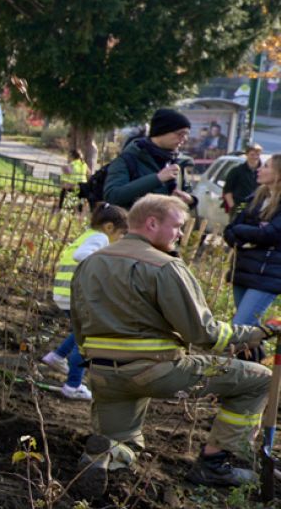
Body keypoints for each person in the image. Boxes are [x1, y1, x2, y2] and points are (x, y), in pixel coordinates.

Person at [70, 194, 275, 487]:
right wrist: (256, 334)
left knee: (122, 442)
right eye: (177, 226)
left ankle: (103, 459)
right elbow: (203, 334)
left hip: (104, 375)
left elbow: (78, 324)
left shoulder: (90, 263)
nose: (180, 234)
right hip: (158, 373)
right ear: (152, 223)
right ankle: (216, 462)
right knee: (259, 379)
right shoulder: (165, 267)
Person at [40, 204, 129, 400]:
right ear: (109, 227)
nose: (121, 239)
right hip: (77, 296)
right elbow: (81, 256)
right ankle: (73, 385)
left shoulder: (88, 235)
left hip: (66, 294)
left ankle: (57, 357)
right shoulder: (100, 238)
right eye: (122, 234)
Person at [223, 153, 281, 326]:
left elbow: (271, 234)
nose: (259, 169)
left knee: (240, 326)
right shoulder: (255, 197)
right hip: (243, 269)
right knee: (246, 332)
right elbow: (230, 230)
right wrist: (249, 233)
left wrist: (242, 230)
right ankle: (259, 354)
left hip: (266, 276)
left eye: (266, 166)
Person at [102, 108, 196, 210]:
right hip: (134, 224)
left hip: (170, 224)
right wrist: (157, 178)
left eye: (186, 134)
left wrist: (190, 200)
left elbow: (187, 191)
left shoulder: (179, 161)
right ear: (162, 131)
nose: (184, 138)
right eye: (180, 134)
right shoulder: (127, 159)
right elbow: (112, 196)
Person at [222, 142, 263, 218]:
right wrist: (233, 207)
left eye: (257, 155)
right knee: (236, 226)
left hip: (258, 206)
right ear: (247, 155)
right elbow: (227, 190)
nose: (255, 157)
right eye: (252, 154)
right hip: (241, 205)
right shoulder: (237, 171)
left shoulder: (264, 171)